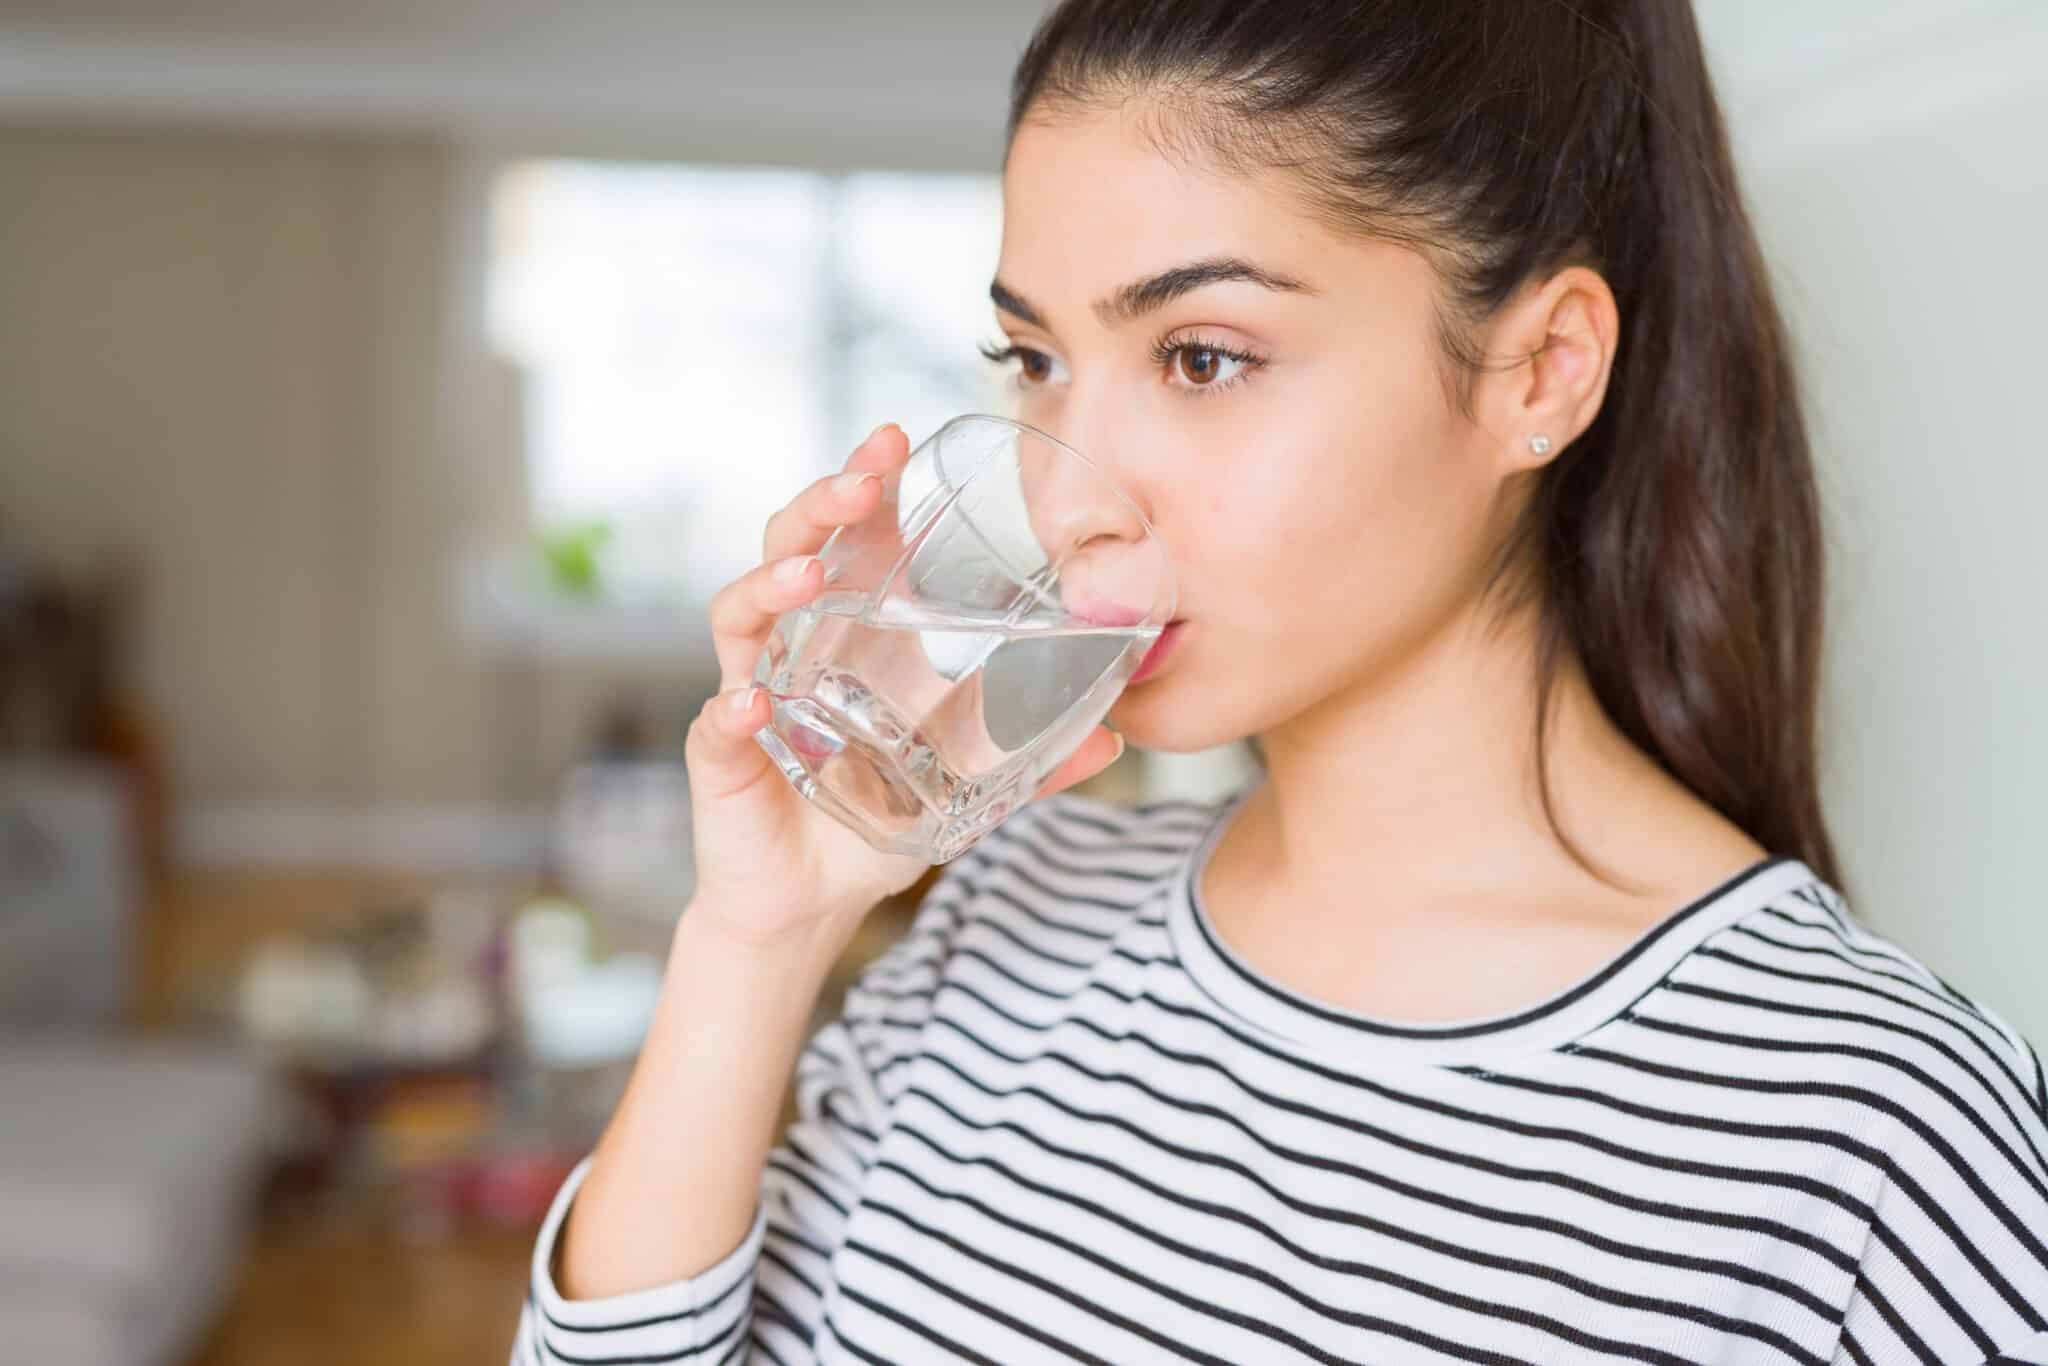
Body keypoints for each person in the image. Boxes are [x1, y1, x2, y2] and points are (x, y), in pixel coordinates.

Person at [512, 1, 2048, 1361]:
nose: (1071, 503)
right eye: (1036, 360)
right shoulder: (1008, 904)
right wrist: (755, 942)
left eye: (1201, 357)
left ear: (1541, 372)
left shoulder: (1870, 1132)